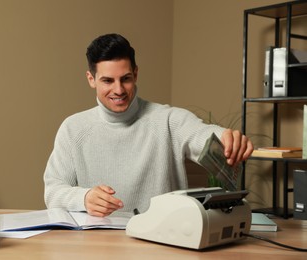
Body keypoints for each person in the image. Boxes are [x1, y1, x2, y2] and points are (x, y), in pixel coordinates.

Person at [43, 33, 253, 217]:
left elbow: (202, 135)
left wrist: (226, 138)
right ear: (91, 79)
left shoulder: (168, 120)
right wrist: (84, 198)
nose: (118, 90)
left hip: (162, 239)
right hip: (98, 242)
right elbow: (53, 191)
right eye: (108, 81)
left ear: (135, 74)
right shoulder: (73, 128)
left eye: (125, 79)